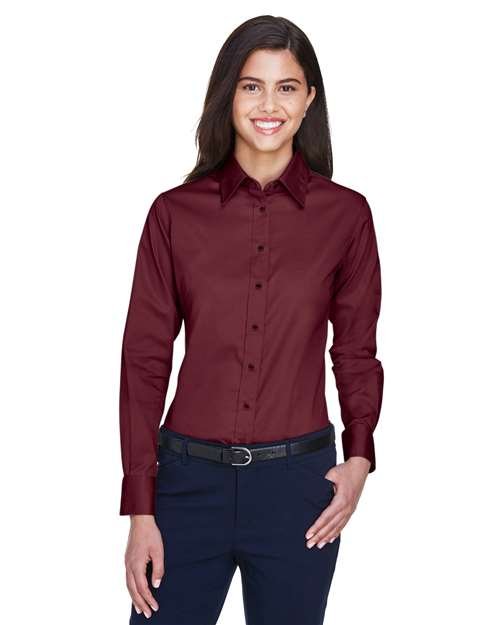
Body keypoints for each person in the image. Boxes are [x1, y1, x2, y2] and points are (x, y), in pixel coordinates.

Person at [119, 14, 384, 625]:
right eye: (251, 86)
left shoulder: (346, 217)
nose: (269, 105)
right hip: (186, 487)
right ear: (228, 95)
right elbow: (144, 361)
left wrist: (359, 459)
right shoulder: (173, 215)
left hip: (299, 491)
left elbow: (355, 351)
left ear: (309, 98)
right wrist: (141, 508)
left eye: (286, 87)